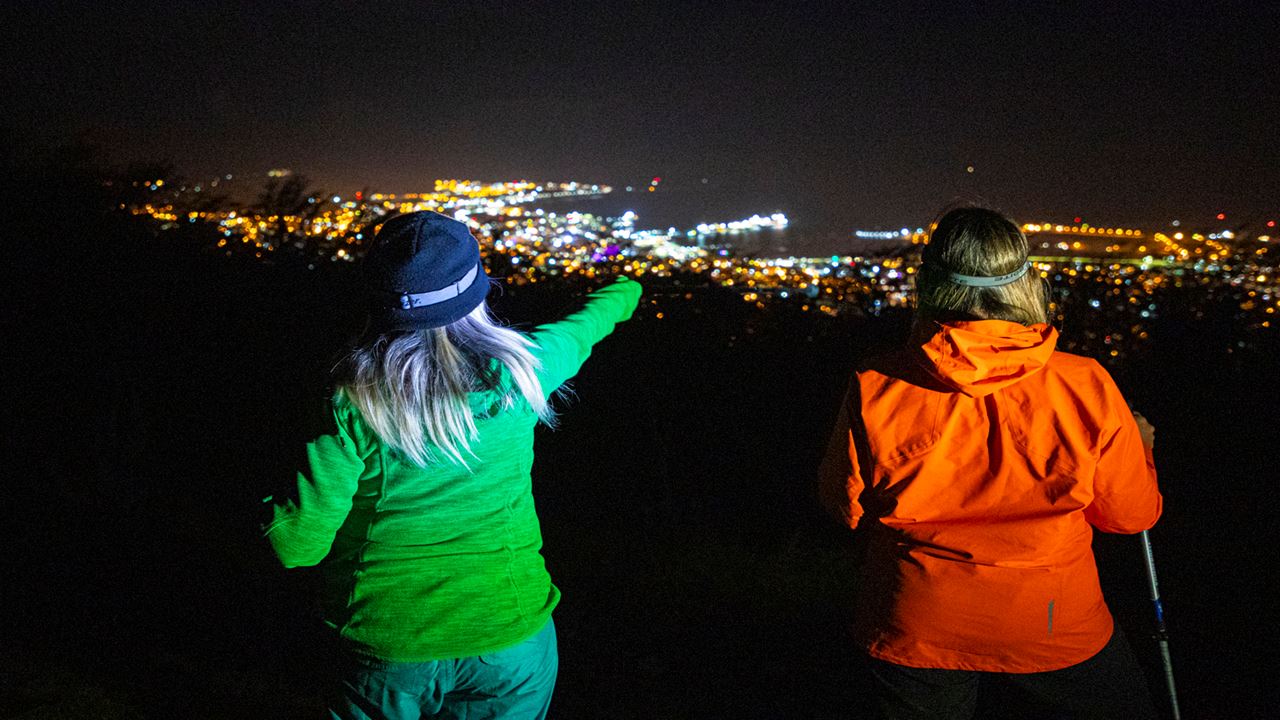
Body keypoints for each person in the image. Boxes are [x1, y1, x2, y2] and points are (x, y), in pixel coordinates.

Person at [264, 211, 642, 719]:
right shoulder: (525, 369)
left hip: (387, 647)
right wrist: (628, 288)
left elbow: (297, 547)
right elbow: (587, 324)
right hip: (509, 639)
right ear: (477, 289)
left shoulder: (352, 400)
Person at [819, 207, 1163, 719]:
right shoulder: (1085, 383)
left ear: (929, 283)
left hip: (920, 621)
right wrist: (1143, 448)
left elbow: (843, 507)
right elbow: (1131, 516)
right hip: (1052, 621)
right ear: (1026, 283)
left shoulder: (876, 384)